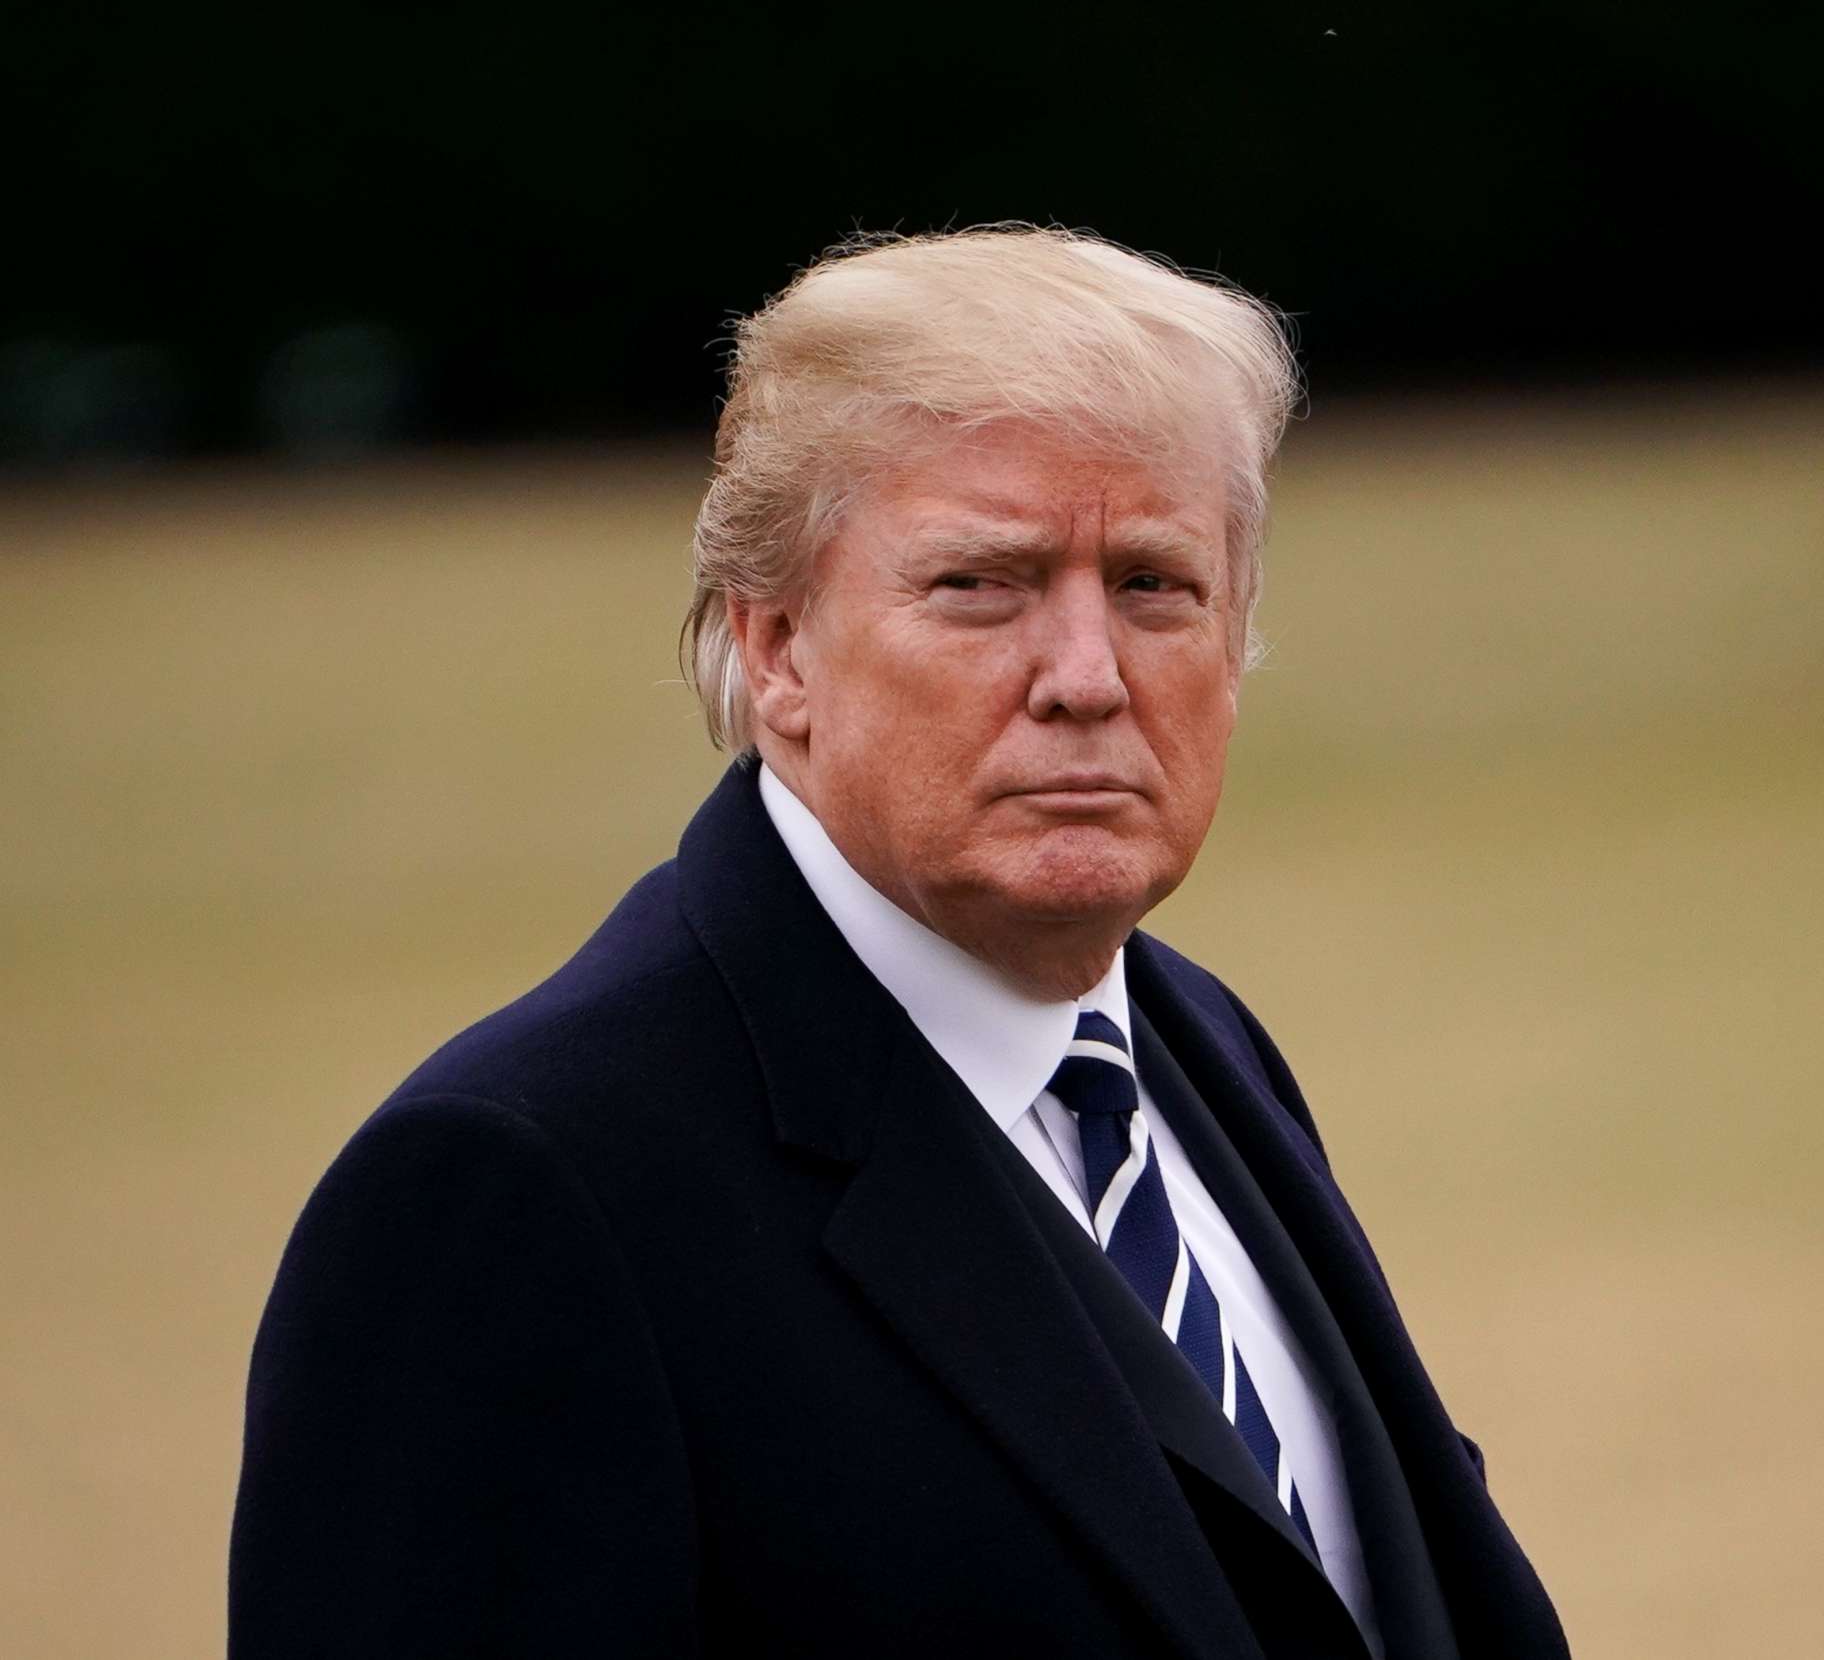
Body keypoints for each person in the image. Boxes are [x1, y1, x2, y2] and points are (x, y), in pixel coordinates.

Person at [229, 226, 1567, 1659]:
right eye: (980, 585)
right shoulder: (514, 1190)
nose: (1085, 677)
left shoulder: (1192, 1041)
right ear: (778, 648)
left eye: (1153, 584)